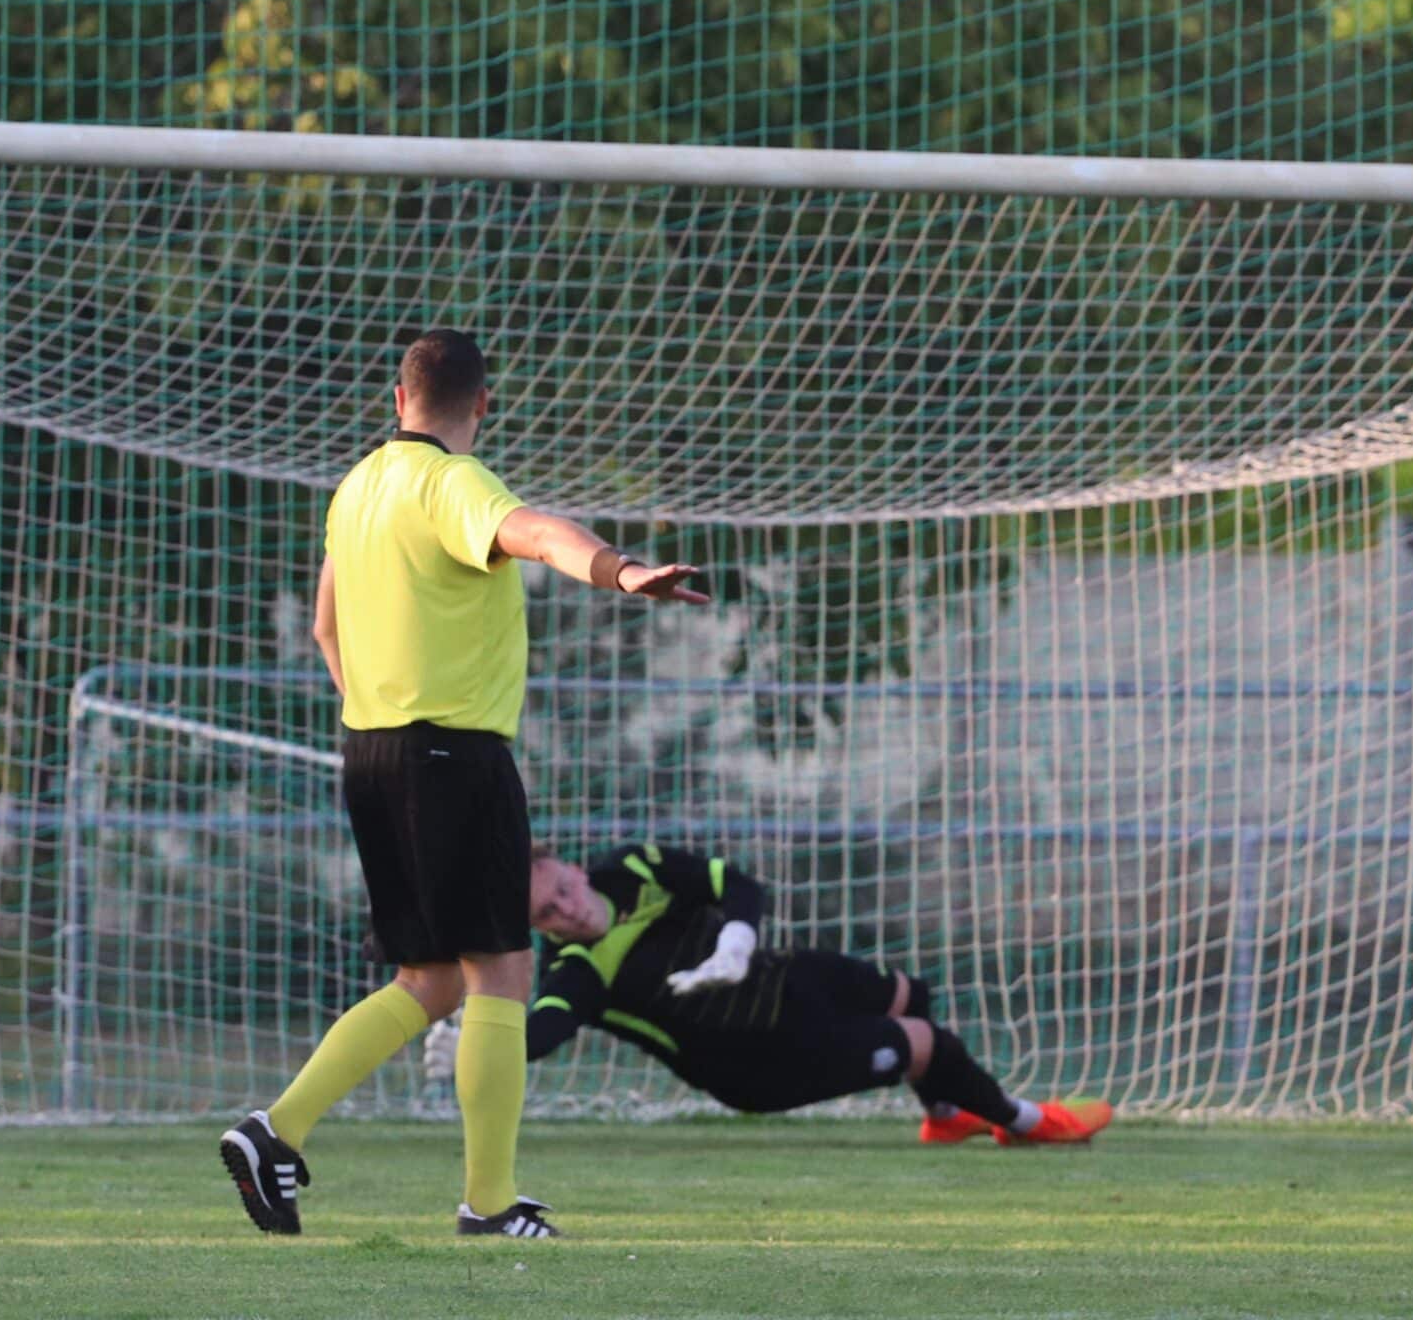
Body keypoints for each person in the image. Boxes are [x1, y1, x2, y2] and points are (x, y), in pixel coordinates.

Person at [219, 329, 709, 1241]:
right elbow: (538, 534)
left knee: (433, 979)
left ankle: (274, 1131)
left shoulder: (358, 487)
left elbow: (325, 626)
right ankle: (488, 1203)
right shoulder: (451, 482)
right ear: (483, 403)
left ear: (395, 397)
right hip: (452, 755)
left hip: (372, 751)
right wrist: (626, 571)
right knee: (501, 973)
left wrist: (376, 711)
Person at [422, 841, 1112, 1144]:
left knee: (910, 993)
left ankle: (945, 1117)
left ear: (573, 868)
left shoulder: (633, 866)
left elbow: (737, 885)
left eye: (561, 891)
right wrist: (477, 1047)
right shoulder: (578, 972)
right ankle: (1026, 1123)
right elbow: (542, 1032)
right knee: (928, 1043)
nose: (566, 910)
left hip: (781, 978)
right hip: (758, 1059)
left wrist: (735, 940)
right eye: (547, 914)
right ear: (538, 929)